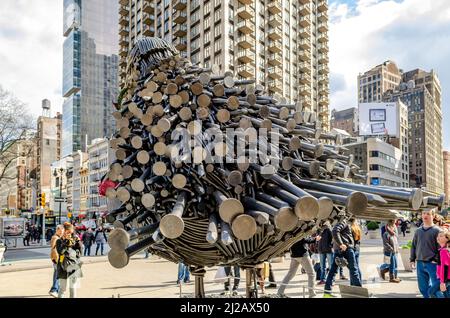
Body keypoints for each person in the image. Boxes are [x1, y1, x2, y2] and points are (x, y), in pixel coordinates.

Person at [324, 213, 362, 297]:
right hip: (346, 249)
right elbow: (335, 231)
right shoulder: (343, 221)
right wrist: (341, 244)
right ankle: (360, 294)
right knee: (354, 270)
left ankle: (327, 293)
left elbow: (335, 232)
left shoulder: (337, 222)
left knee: (332, 271)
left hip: (339, 250)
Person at [410, 208, 443, 298]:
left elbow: (441, 247)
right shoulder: (418, 231)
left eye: (428, 214)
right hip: (420, 263)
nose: (425, 215)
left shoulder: (437, 231)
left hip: (432, 264)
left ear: (433, 216)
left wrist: (436, 259)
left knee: (436, 288)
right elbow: (413, 245)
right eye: (424, 213)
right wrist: (412, 259)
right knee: (423, 289)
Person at [57, 222, 83, 298]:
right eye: (67, 232)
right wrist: (65, 242)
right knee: (62, 288)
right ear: (64, 231)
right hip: (63, 266)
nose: (69, 234)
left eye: (71, 232)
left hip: (74, 266)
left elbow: (80, 254)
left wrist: (79, 243)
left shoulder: (74, 240)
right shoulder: (59, 241)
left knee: (73, 288)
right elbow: (60, 252)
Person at [49, 225, 64, 298]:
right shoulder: (55, 238)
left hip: (57, 259)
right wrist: (57, 260)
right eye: (60, 231)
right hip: (57, 260)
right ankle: (54, 290)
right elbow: (54, 250)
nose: (61, 233)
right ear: (57, 230)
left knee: (57, 274)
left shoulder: (57, 237)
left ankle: (56, 290)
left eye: (62, 231)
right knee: (58, 275)